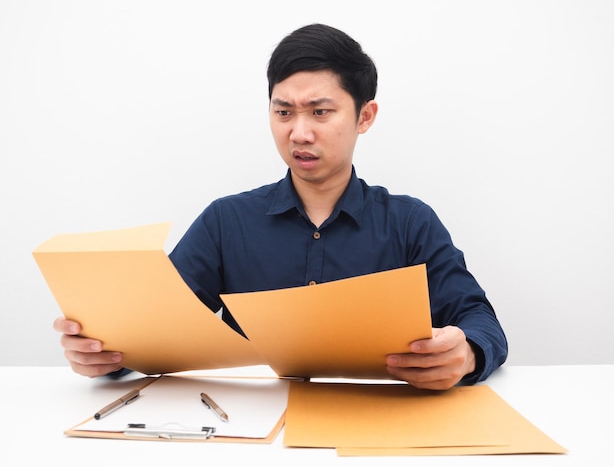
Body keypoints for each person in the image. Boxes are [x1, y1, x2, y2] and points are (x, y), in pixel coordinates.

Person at [53, 23, 507, 390]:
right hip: (246, 429)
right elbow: (153, 328)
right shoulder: (226, 222)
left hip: (379, 426)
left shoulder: (409, 222)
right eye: (283, 112)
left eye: (320, 112)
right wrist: (105, 355)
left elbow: (480, 320)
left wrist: (466, 353)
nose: (299, 133)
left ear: (364, 116)